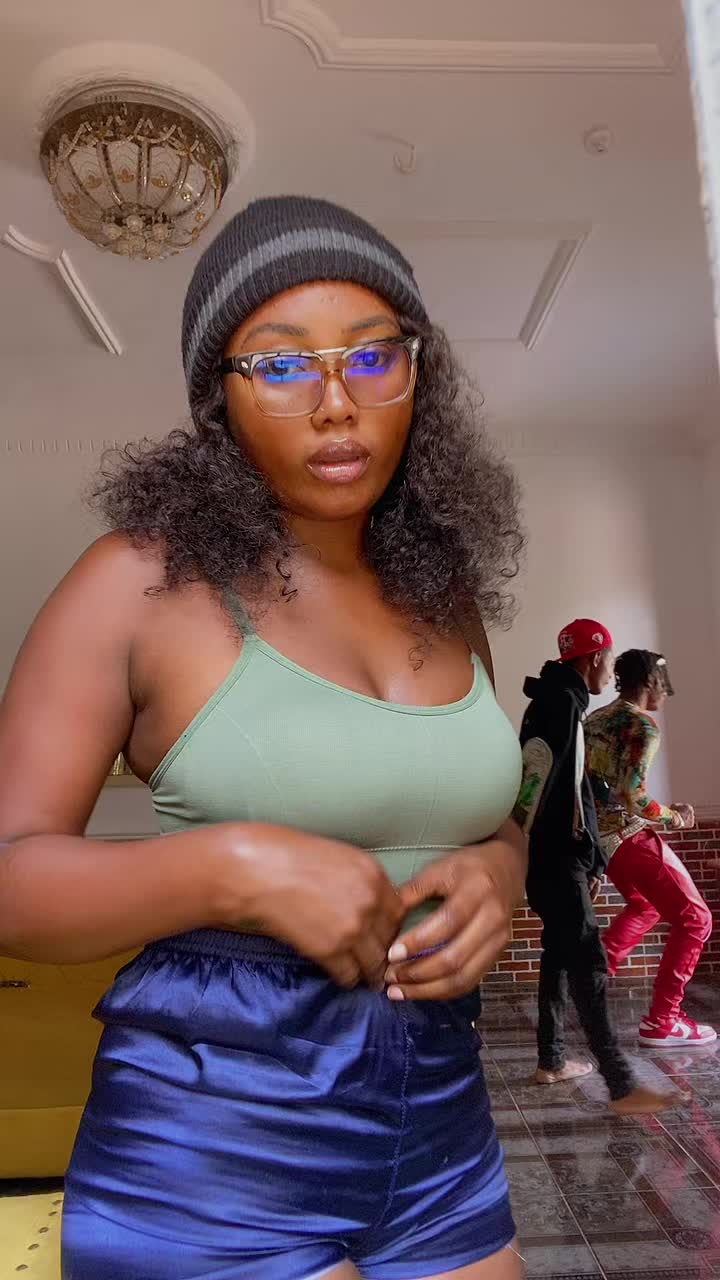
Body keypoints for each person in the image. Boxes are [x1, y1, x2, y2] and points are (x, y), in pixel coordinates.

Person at [0, 196, 531, 1280]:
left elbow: (492, 808)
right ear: (220, 399)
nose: (336, 403)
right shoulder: (138, 581)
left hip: (439, 1118)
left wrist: (502, 867)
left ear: (417, 374)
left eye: (372, 355)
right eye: (281, 365)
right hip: (213, 1144)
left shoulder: (443, 593)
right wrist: (230, 868)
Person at [515, 619, 675, 1114]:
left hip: (549, 857)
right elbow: (558, 794)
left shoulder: (554, 702)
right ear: (595, 658)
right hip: (559, 858)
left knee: (558, 956)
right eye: (607, 661)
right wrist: (585, 859)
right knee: (589, 963)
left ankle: (552, 1059)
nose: (610, 672)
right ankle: (622, 1086)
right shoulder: (564, 706)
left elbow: (573, 786)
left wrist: (591, 859)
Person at [585, 648, 715, 1049]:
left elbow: (600, 787)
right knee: (696, 919)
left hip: (600, 841)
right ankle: (663, 1021)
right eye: (663, 683)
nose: (666, 692)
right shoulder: (642, 726)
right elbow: (632, 795)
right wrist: (675, 818)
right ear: (651, 682)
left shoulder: (596, 719)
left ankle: (591, 978)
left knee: (646, 906)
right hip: (628, 836)